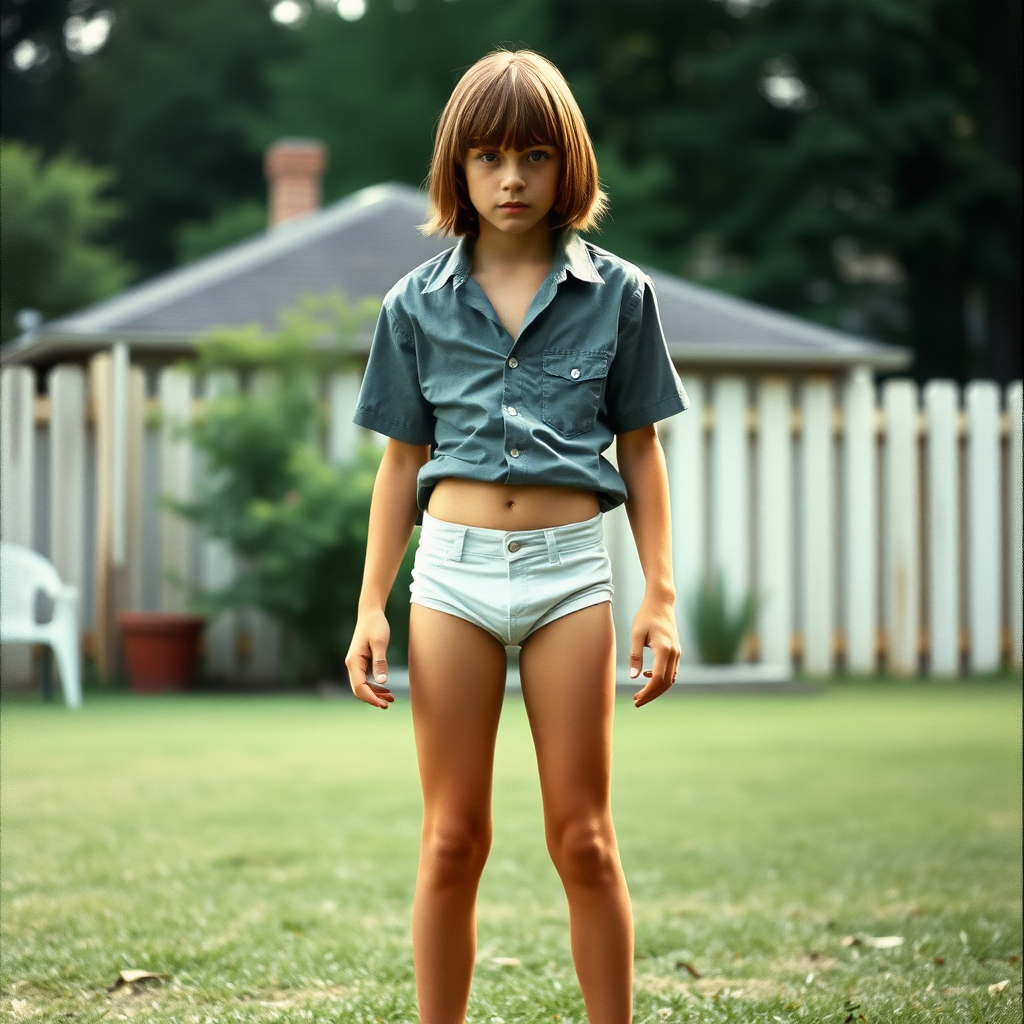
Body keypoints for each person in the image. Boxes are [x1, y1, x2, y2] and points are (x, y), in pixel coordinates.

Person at [346, 48, 689, 1024]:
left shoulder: (620, 296)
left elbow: (642, 449)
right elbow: (400, 465)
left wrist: (658, 594)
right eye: (488, 156)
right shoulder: (411, 305)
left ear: (565, 165)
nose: (510, 178)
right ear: (456, 168)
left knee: (582, 836)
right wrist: (371, 604)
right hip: (449, 579)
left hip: (569, 581)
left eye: (533, 155)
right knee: (452, 838)